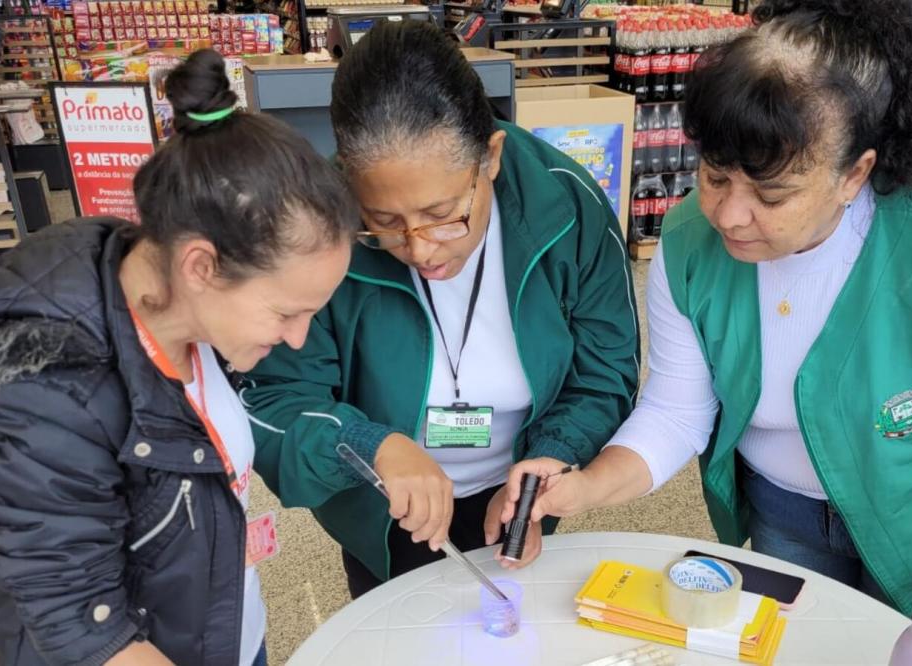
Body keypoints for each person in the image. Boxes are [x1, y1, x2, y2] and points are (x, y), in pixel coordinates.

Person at [505, 0, 912, 616]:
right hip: (782, 513)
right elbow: (676, 410)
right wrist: (587, 485)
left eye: (772, 193)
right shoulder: (692, 240)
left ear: (855, 174)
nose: (728, 214)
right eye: (716, 175)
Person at [0, 50, 359, 665]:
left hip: (220, 630)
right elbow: (81, 627)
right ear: (201, 265)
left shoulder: (185, 309)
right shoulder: (45, 392)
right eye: (286, 313)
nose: (299, 338)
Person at [240, 20, 640, 598]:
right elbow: (275, 399)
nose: (421, 249)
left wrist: (548, 462)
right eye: (384, 223)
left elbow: (604, 375)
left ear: (491, 158)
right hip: (384, 514)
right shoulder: (315, 227)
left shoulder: (567, 209)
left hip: (517, 496)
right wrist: (364, 443)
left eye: (444, 213)